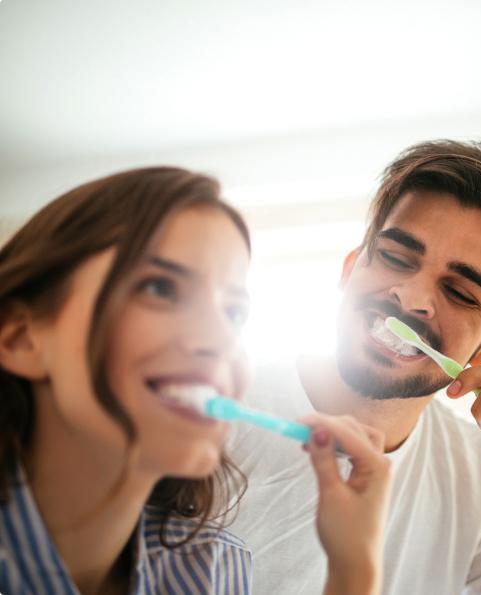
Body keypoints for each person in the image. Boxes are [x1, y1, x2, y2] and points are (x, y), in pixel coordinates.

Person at [0, 167, 393, 595]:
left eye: (234, 312)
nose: (221, 338)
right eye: (160, 288)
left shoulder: (211, 569)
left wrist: (354, 569)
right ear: (21, 338)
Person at [228, 139, 481, 594]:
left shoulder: (475, 475)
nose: (412, 298)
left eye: (460, 293)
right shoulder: (218, 405)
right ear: (349, 270)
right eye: (396, 258)